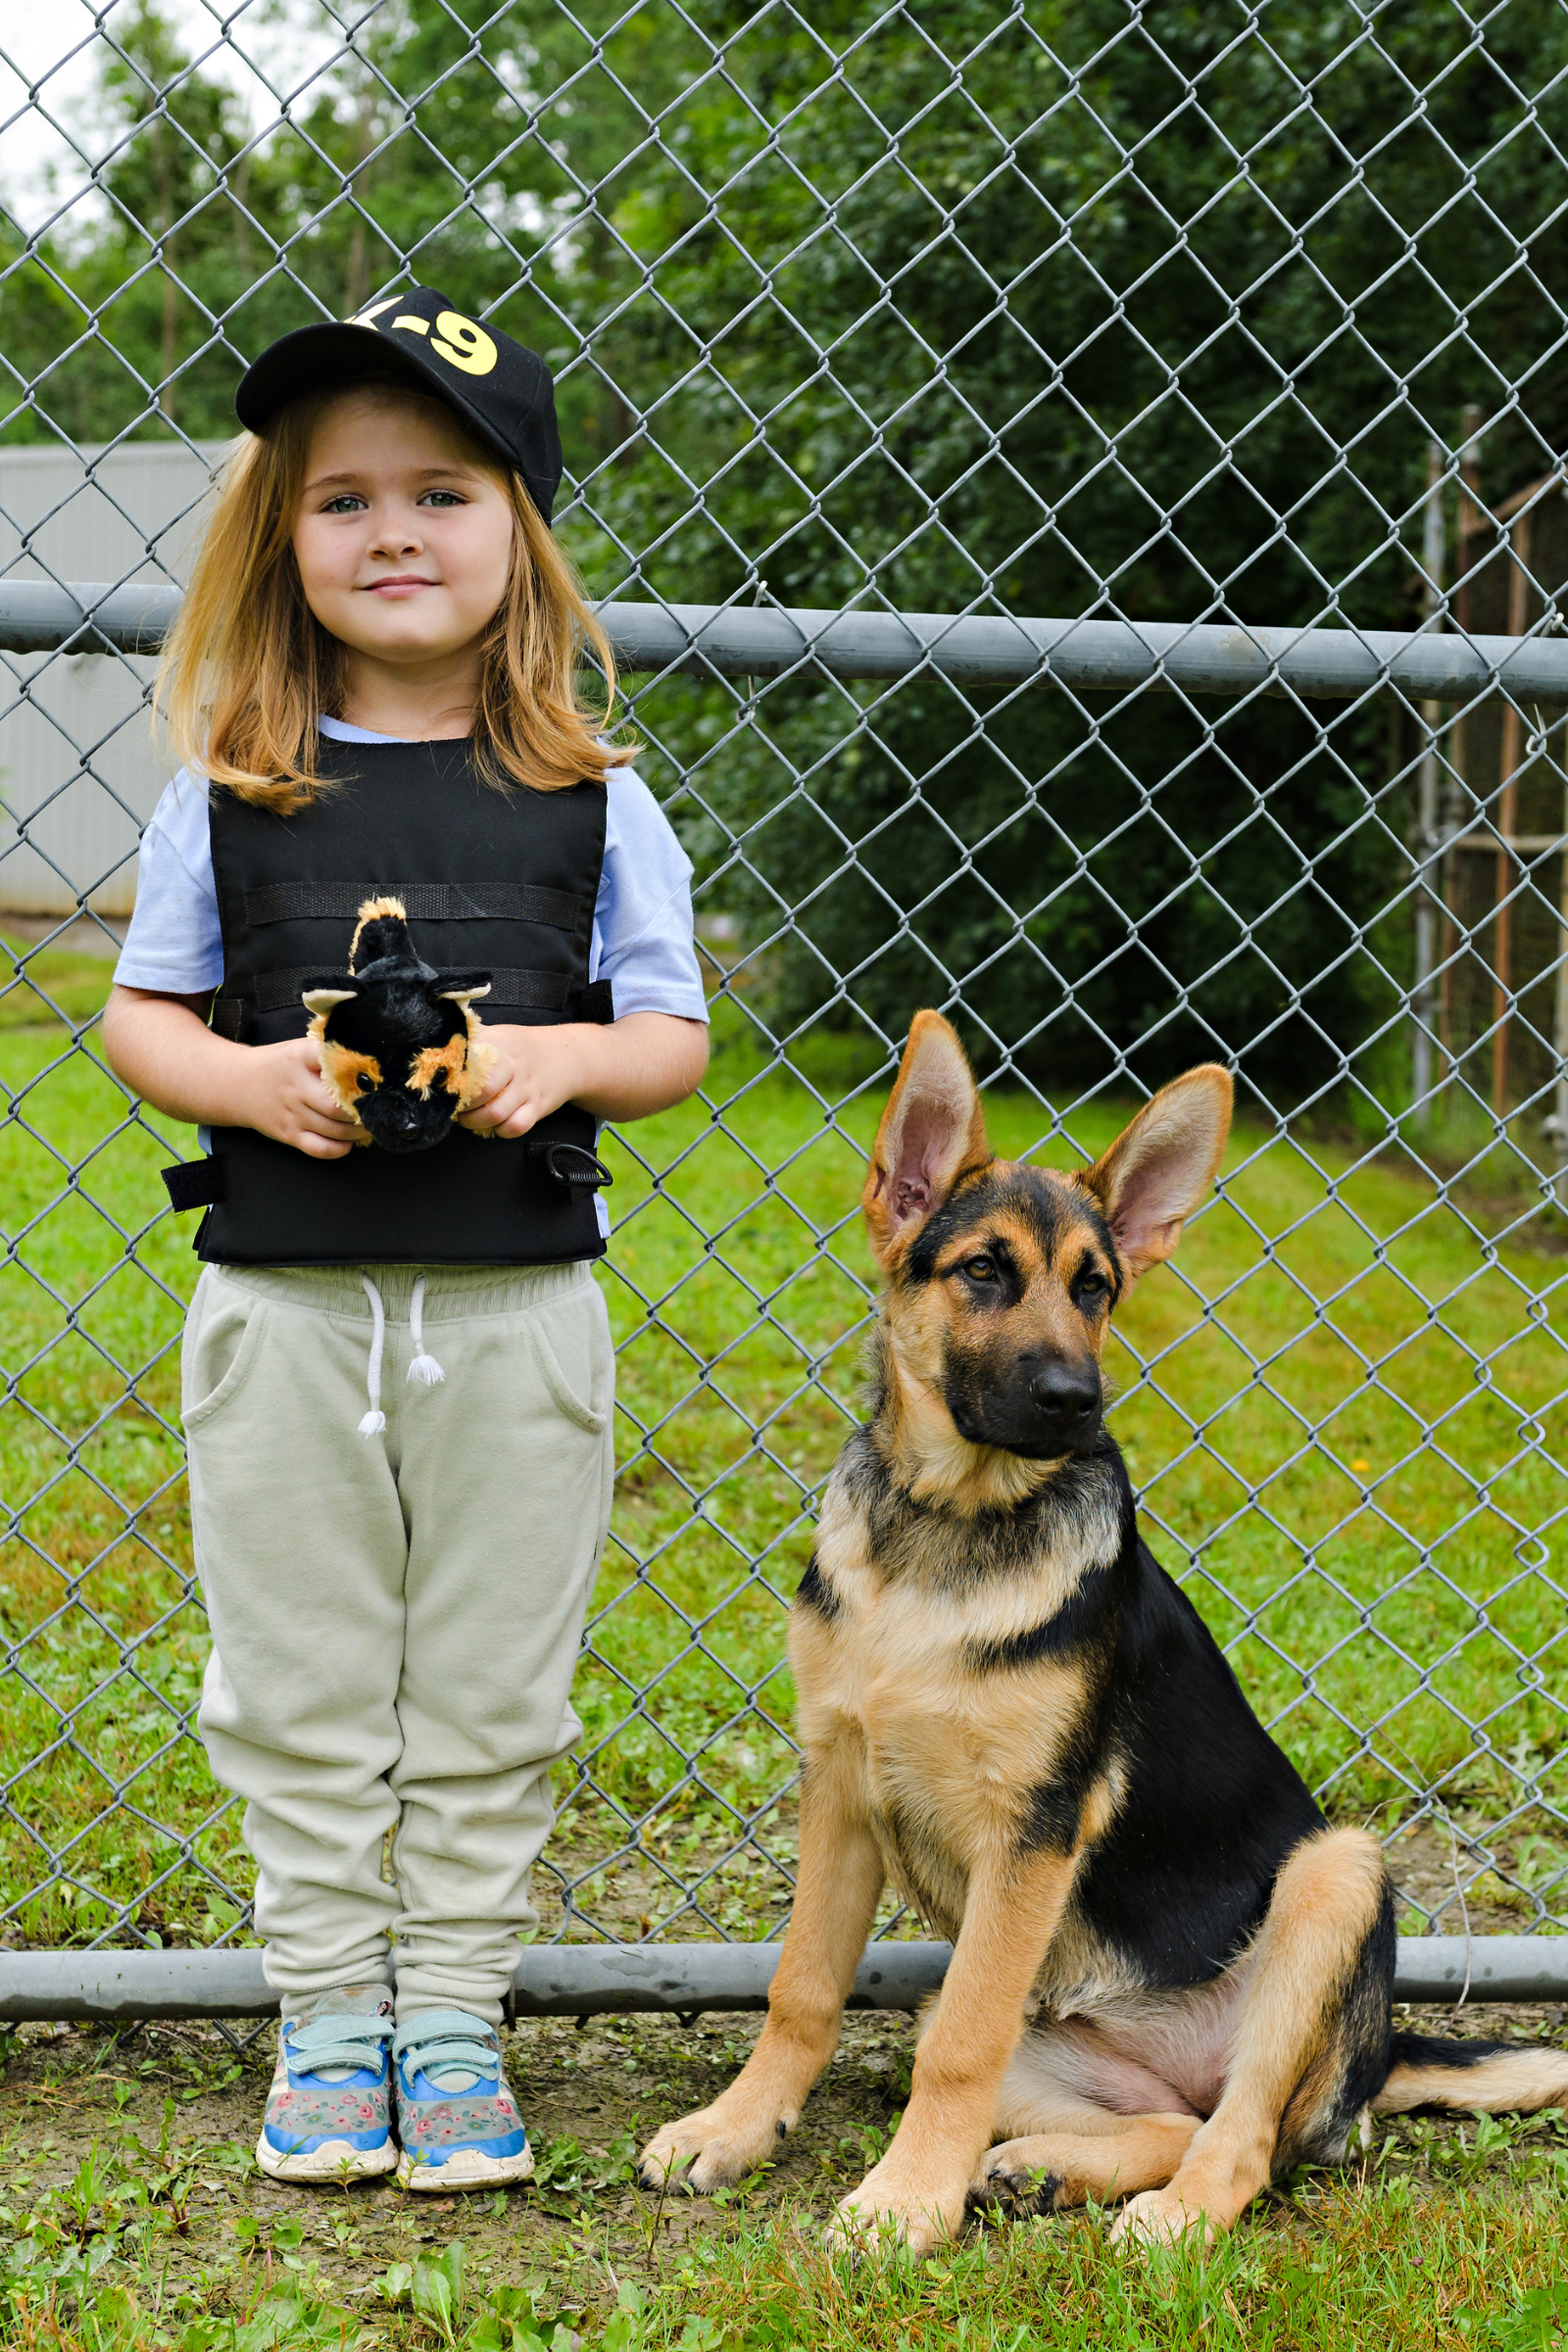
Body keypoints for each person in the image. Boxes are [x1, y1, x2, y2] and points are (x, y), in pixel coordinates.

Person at [102, 289, 709, 2192]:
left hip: (514, 1323)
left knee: (488, 1686)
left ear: (519, 528)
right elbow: (139, 1017)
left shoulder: (597, 800)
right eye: (342, 496)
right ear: (279, 535)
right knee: (295, 1681)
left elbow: (671, 1036)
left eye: (441, 492)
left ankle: (447, 2016)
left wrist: (557, 1057)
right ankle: (326, 2016)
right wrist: (237, 1081)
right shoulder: (230, 790)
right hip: (283, 1318)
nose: (391, 532)